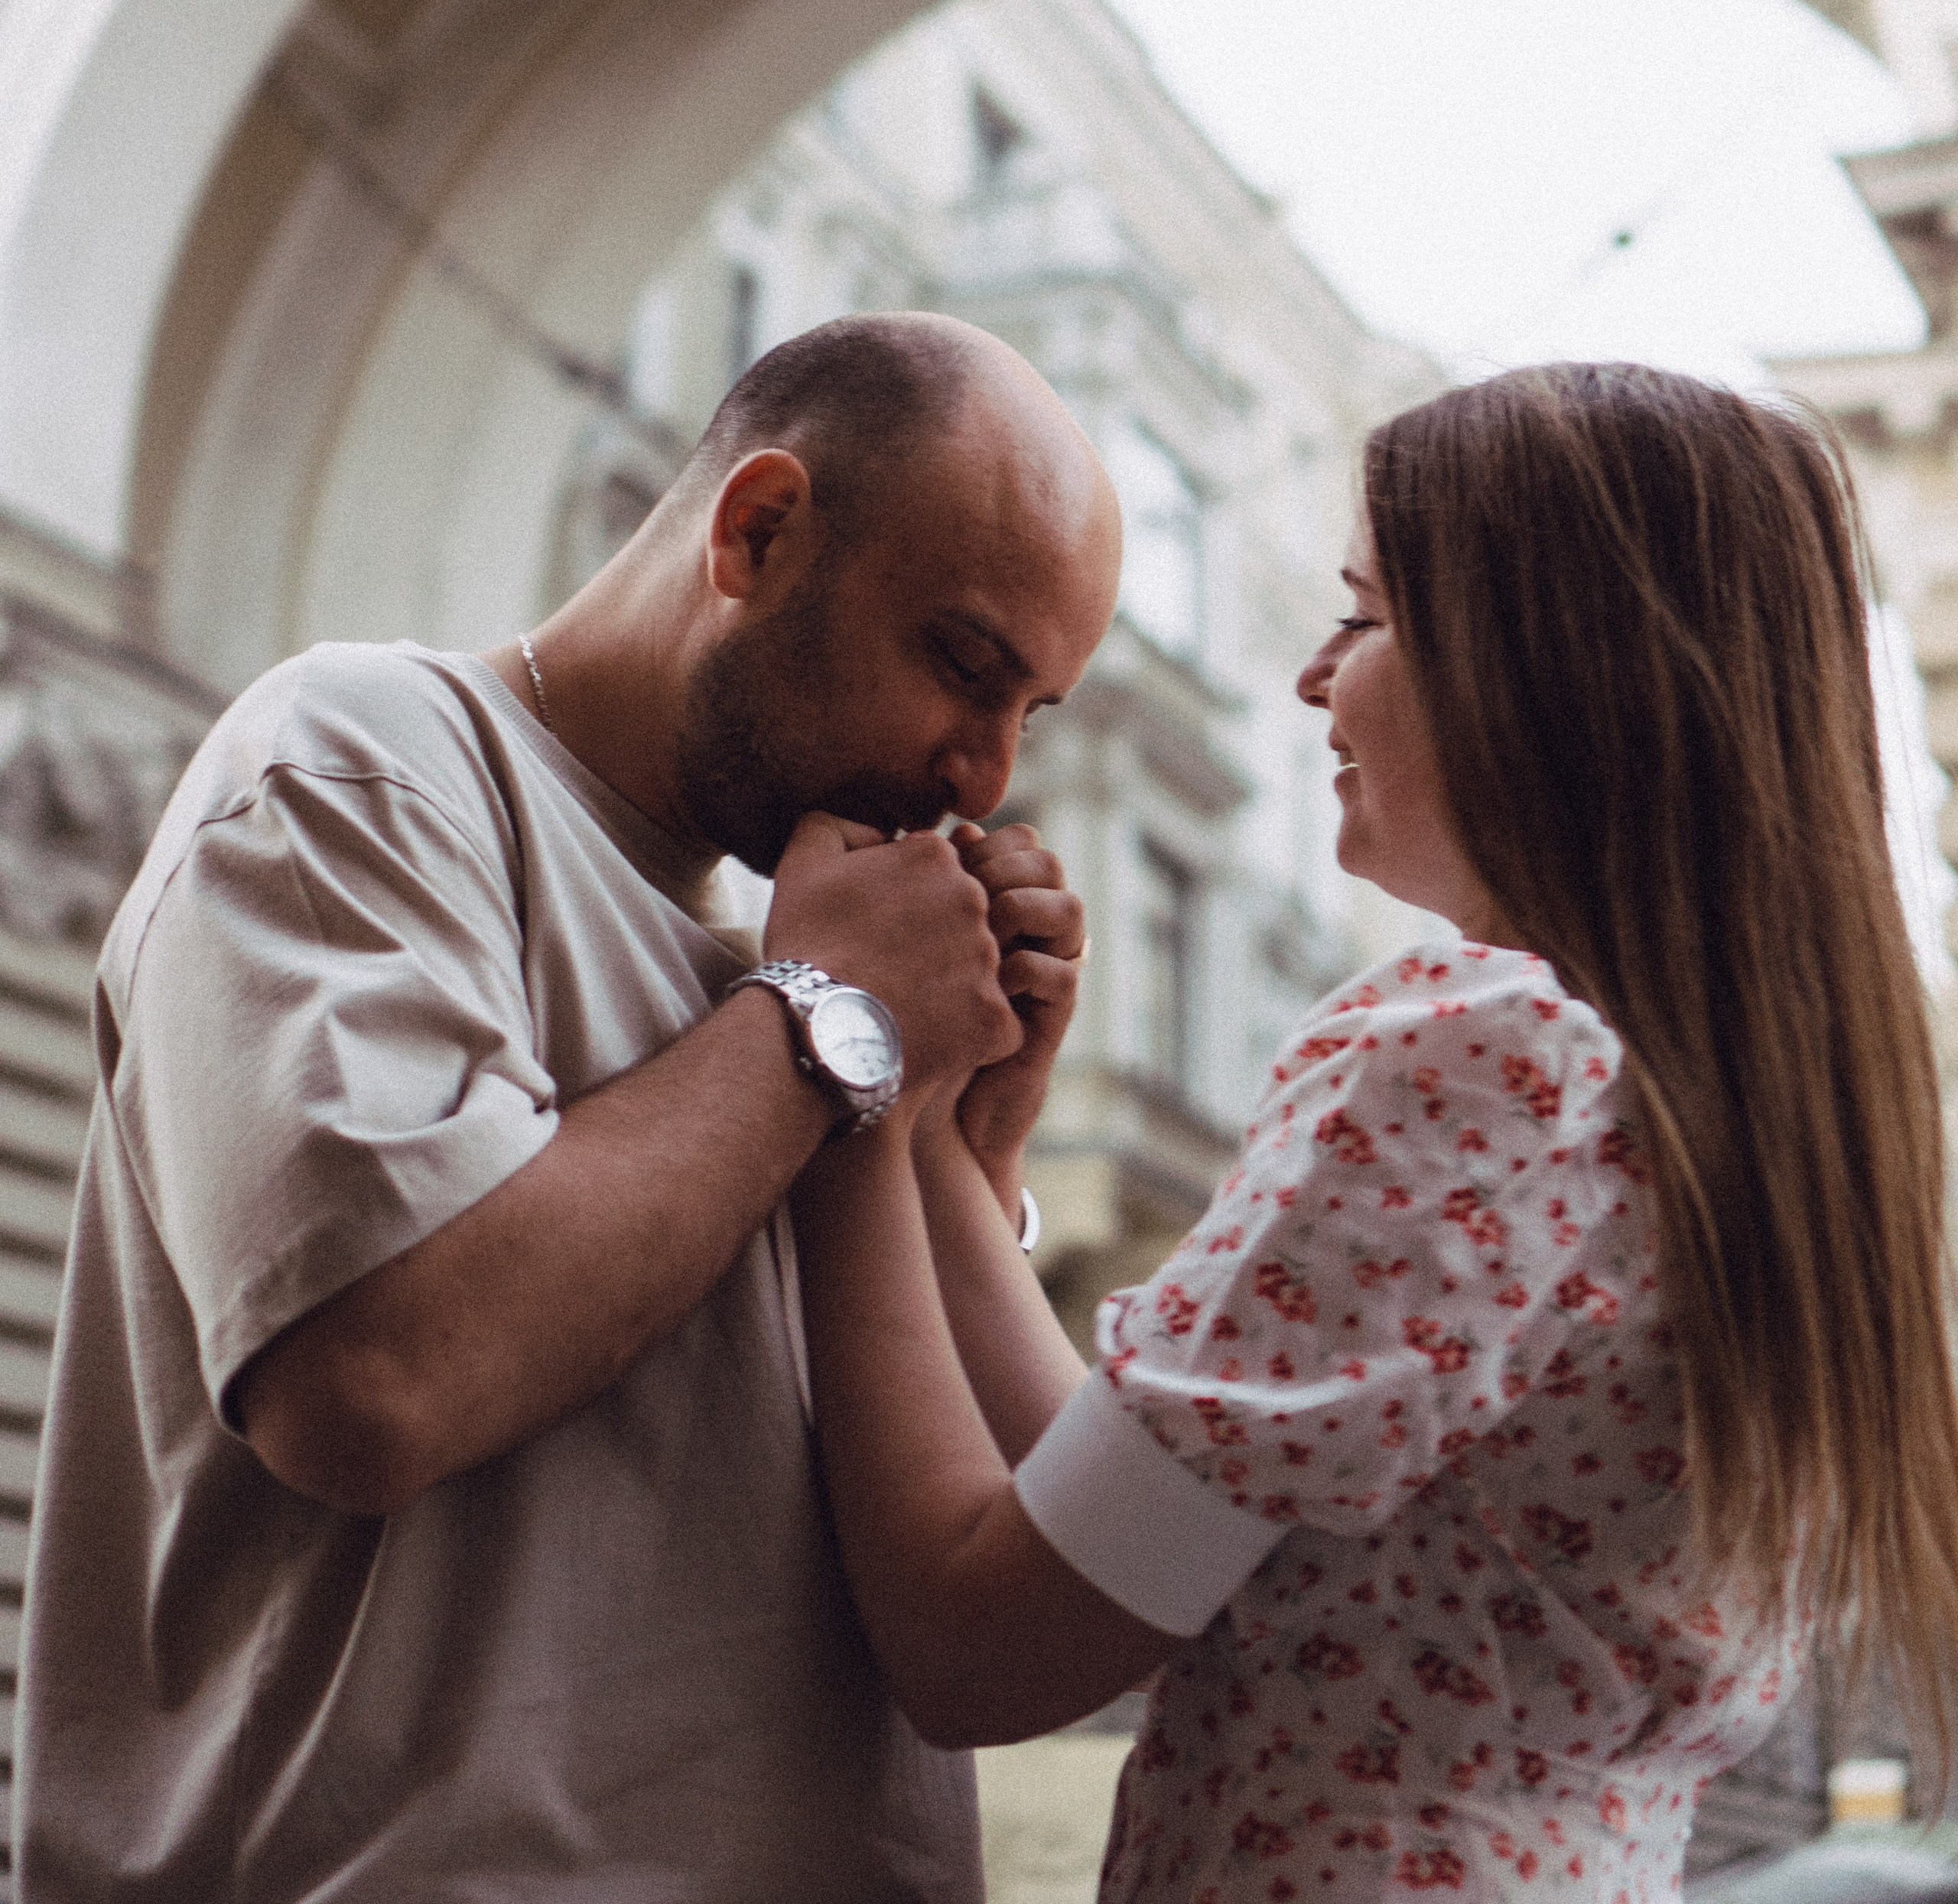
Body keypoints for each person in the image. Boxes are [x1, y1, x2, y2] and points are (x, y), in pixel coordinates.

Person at [792, 361, 1958, 1899]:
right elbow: (1128, 1521)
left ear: (1543, 662)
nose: (1308, 679)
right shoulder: (1739, 1117)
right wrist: (943, 1141)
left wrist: (840, 1048)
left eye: (1360, 617)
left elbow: (978, 1647)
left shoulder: (1481, 1054)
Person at [15, 311, 1122, 1904]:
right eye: (962, 669)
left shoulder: (799, 975)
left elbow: (1028, 1604)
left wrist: (959, 1138)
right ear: (756, 531)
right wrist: (829, 1021)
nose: (982, 775)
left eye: (1034, 715)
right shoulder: (368, 762)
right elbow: (373, 1381)